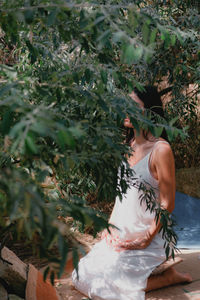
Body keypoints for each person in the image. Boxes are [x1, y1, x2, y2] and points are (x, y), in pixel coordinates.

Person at [72, 86, 192, 300]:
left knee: (106, 289)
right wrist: (108, 229)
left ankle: (168, 277)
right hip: (122, 235)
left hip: (150, 238)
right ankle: (163, 276)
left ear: (149, 112)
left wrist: (145, 239)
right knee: (80, 276)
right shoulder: (128, 145)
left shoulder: (161, 150)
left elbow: (168, 204)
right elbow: (122, 196)